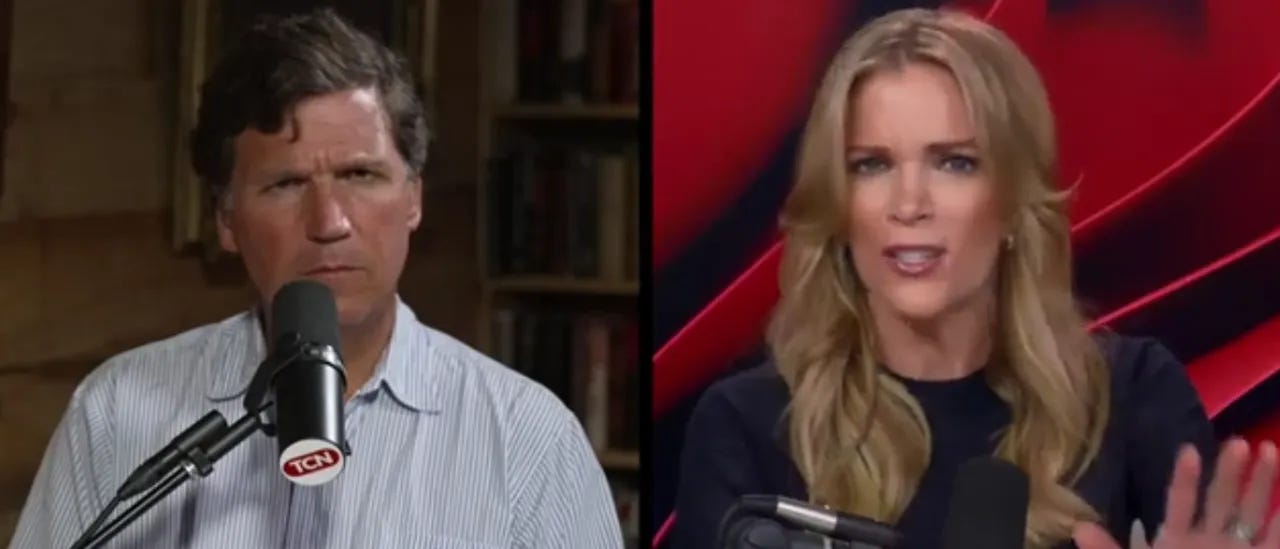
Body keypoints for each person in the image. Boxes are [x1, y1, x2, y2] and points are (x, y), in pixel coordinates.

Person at [12, 9, 623, 549]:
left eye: (360, 176)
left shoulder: (528, 441)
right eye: (285, 185)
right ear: (226, 219)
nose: (329, 222)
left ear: (413, 198)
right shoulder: (114, 413)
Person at [672, 8, 1278, 549]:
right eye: (872, 165)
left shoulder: (1132, 398)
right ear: (838, 206)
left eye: (954, 162)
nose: (909, 203)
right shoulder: (747, 426)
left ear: (1013, 202)